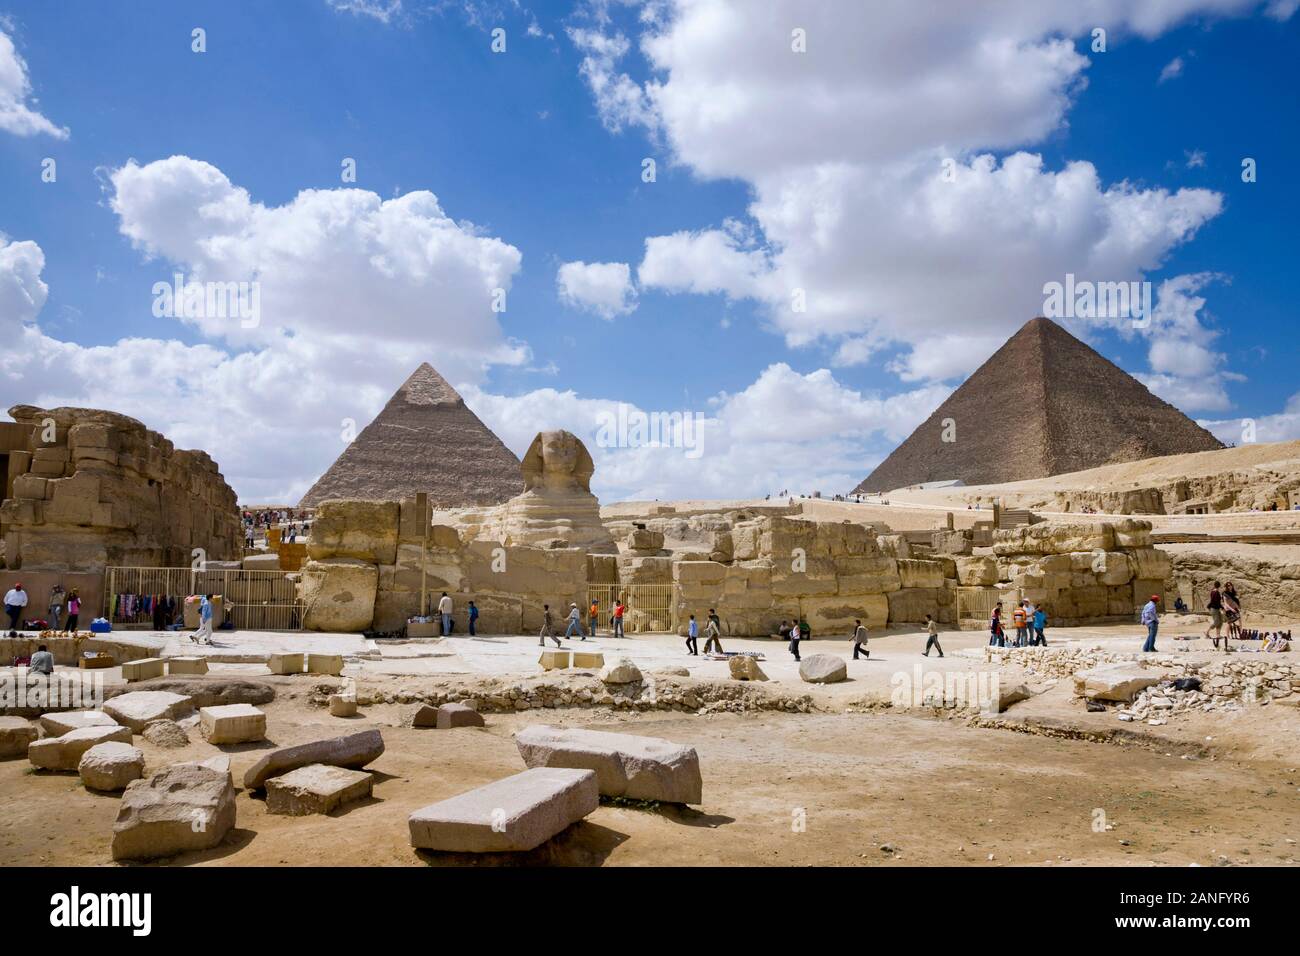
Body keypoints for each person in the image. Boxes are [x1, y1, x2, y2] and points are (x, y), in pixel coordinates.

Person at [1204, 581, 1225, 647]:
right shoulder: (1216, 592)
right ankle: (1207, 632)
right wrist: (1222, 607)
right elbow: (1216, 602)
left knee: (1220, 621)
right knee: (1216, 622)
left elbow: (1213, 601)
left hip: (1216, 608)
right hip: (1214, 609)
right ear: (1219, 586)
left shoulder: (1213, 591)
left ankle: (1218, 635)